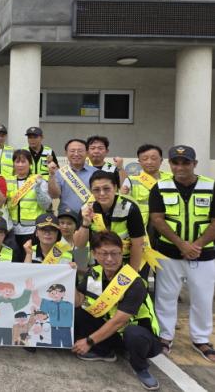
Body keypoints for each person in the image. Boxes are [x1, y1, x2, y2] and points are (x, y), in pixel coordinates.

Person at [148, 145, 215, 362]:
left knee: (202, 298)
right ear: (170, 164)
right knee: (165, 297)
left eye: (185, 162)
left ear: (194, 164)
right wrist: (181, 245)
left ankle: (201, 339)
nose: (180, 167)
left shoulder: (211, 186)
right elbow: (157, 219)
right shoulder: (160, 187)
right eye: (175, 162)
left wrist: (196, 245)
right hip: (168, 254)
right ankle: (165, 337)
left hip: (204, 254)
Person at [73, 233, 162, 391]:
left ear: (122, 254)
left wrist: (89, 341)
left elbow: (120, 320)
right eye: (104, 253)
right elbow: (78, 302)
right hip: (113, 334)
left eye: (115, 253)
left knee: (133, 333)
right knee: (79, 312)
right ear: (94, 254)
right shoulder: (94, 273)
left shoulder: (133, 281)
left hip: (141, 337)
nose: (110, 259)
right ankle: (105, 352)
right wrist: (70, 276)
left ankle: (141, 367)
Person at [76, 170, 146, 272]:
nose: (102, 193)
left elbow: (138, 244)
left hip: (127, 260)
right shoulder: (86, 209)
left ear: (115, 188)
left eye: (106, 188)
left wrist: (131, 274)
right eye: (96, 190)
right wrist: (85, 223)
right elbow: (79, 245)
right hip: (101, 261)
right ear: (91, 191)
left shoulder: (130, 208)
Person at [5, 149, 51, 262]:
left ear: (30, 163)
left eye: (23, 161)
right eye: (17, 162)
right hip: (12, 231)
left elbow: (46, 205)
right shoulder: (8, 180)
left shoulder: (38, 180)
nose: (20, 165)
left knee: (31, 262)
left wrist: (38, 189)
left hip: (32, 231)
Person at [121, 144, 172, 227]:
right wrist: (123, 195)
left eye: (154, 158)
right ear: (139, 162)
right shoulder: (131, 180)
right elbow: (122, 207)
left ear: (161, 160)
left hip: (168, 223)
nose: (149, 162)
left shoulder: (171, 178)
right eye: (145, 159)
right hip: (142, 225)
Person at [48, 138, 97, 214]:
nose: (76, 154)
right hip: (66, 217)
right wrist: (51, 175)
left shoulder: (96, 172)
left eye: (80, 151)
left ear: (87, 153)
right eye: (72, 151)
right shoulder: (59, 173)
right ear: (66, 153)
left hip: (91, 215)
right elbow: (54, 195)